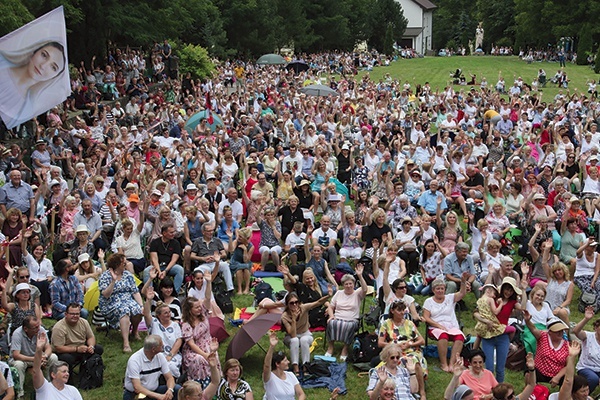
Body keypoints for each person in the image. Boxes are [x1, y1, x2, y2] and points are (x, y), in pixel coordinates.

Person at [0, 40, 67, 128]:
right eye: (44, 55)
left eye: (53, 67)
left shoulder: (28, 106)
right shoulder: (2, 64)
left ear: (54, 77)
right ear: (35, 51)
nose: (43, 66)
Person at [377, 300, 427, 399]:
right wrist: (395, 345)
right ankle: (400, 388)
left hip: (410, 350)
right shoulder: (386, 324)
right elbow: (380, 343)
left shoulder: (409, 323)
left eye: (403, 310)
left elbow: (422, 341)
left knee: (414, 360)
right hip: (394, 351)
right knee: (400, 360)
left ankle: (422, 392)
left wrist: (410, 344)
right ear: (392, 311)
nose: (402, 312)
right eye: (399, 310)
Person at [98, 253, 143, 353]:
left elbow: (135, 292)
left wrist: (141, 305)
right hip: (110, 303)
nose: (126, 264)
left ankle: (134, 331)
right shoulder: (105, 276)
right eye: (124, 263)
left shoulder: (128, 275)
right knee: (124, 310)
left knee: (138, 310)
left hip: (128, 301)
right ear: (117, 264)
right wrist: (113, 281)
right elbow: (105, 294)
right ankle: (126, 343)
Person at [422, 275, 468, 373]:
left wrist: (463, 282)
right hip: (435, 327)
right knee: (443, 336)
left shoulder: (450, 298)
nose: (440, 291)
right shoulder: (428, 301)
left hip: (451, 326)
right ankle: (444, 364)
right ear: (433, 290)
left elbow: (462, 293)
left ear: (445, 289)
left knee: (460, 337)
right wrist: (438, 325)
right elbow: (426, 317)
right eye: (437, 289)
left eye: (442, 289)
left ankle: (452, 363)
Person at [281, 291, 330, 375]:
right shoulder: (284, 316)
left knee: (304, 340)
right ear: (287, 305)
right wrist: (293, 319)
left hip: (305, 333)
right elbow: (292, 335)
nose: (295, 305)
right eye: (291, 303)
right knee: (295, 340)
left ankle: (305, 366)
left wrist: (329, 295)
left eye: (296, 302)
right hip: (291, 336)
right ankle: (295, 367)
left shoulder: (303, 308)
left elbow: (318, 302)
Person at [325, 265, 368, 361]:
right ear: (343, 285)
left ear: (354, 284)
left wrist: (360, 276)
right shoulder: (339, 293)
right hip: (337, 317)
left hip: (351, 320)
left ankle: (345, 349)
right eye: (346, 284)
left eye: (350, 284)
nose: (348, 286)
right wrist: (331, 316)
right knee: (331, 323)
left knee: (348, 326)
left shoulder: (357, 294)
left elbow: (365, 289)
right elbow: (331, 307)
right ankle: (330, 347)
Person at [50, 303, 103, 380]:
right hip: (66, 351)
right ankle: (69, 380)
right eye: (72, 314)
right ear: (66, 314)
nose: (75, 316)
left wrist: (91, 346)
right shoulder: (59, 327)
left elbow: (91, 337)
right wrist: (76, 349)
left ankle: (89, 374)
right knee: (67, 358)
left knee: (98, 349)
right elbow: (59, 348)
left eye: (77, 314)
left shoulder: (84, 322)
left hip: (82, 348)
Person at [181, 287, 221, 388]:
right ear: (190, 310)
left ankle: (217, 382)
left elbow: (207, 299)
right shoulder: (186, 324)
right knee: (200, 359)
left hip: (208, 344)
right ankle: (201, 385)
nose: (199, 308)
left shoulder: (203, 314)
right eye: (196, 307)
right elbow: (191, 344)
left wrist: (208, 283)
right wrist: (205, 355)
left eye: (199, 306)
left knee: (213, 355)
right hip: (194, 350)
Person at [123, 335, 184, 400]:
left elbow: (169, 378)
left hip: (154, 390)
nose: (163, 345)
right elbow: (137, 387)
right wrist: (158, 396)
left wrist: (170, 390)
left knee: (177, 389)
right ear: (153, 349)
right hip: (136, 393)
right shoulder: (134, 360)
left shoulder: (160, 357)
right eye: (161, 345)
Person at [10, 316, 58, 399]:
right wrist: (36, 359)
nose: (38, 329)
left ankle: (50, 385)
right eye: (35, 328)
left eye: (38, 326)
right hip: (23, 358)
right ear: (26, 329)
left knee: (53, 357)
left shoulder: (41, 330)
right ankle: (20, 392)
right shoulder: (17, 334)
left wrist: (45, 356)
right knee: (18, 364)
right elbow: (16, 355)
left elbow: (48, 347)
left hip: (38, 356)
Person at [143, 284, 183, 378]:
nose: (169, 314)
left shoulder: (175, 325)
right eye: (165, 313)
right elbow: (146, 314)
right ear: (159, 315)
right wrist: (148, 300)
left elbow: (179, 340)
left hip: (171, 355)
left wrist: (170, 355)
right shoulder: (154, 323)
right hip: (156, 355)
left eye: (169, 312)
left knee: (171, 367)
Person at [33, 331, 82, 400]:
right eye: (64, 371)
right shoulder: (44, 387)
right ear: (53, 375)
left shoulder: (73, 390)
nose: (67, 374)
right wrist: (39, 349)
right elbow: (36, 371)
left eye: (67, 371)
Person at [524, 312, 570, 386]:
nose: (560, 333)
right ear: (550, 332)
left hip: (558, 374)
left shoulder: (567, 345)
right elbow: (533, 328)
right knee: (528, 373)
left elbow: (569, 365)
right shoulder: (542, 337)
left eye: (561, 331)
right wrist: (527, 321)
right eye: (557, 331)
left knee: (570, 378)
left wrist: (557, 377)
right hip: (540, 371)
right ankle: (530, 393)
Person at [190, 223, 234, 292]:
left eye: (212, 231)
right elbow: (192, 256)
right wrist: (202, 258)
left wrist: (215, 257)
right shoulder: (198, 241)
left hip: (216, 262)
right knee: (197, 270)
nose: (211, 233)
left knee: (225, 265)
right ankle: (199, 289)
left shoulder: (217, 240)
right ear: (203, 232)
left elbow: (224, 254)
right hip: (204, 264)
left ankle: (230, 289)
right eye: (208, 231)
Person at [263, 330, 306, 400]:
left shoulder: (291, 375)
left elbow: (301, 394)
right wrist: (272, 347)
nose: (288, 362)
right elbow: (266, 365)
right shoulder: (269, 377)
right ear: (277, 364)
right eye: (285, 360)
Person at [145, 224, 185, 294]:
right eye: (171, 232)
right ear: (164, 233)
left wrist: (166, 271)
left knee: (180, 269)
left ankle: (174, 293)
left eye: (174, 232)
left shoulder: (176, 243)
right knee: (147, 271)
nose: (173, 234)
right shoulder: (155, 242)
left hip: (170, 266)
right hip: (157, 266)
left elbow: (174, 260)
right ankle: (150, 294)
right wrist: (159, 271)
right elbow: (154, 259)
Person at [572, 306, 600, 393]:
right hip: (586, 368)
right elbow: (576, 331)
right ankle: (581, 396)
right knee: (593, 379)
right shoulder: (588, 336)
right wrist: (586, 319)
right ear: (596, 328)